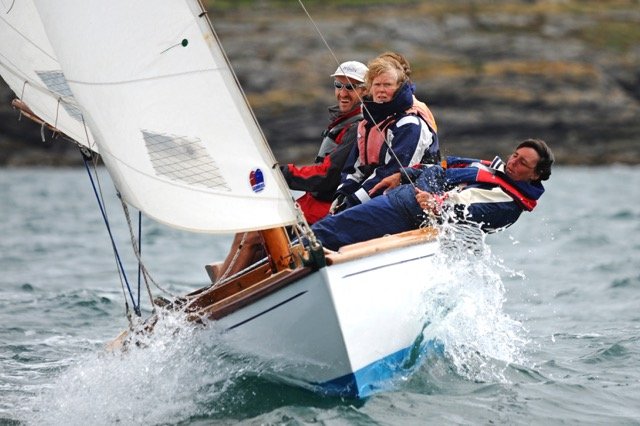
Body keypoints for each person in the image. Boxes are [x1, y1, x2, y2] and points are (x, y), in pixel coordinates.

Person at [206, 60, 368, 282]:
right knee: (250, 230)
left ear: (365, 91)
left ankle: (220, 291)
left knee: (253, 235)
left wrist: (281, 173)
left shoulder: (357, 126)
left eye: (350, 87)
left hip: (328, 209)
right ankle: (228, 283)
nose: (342, 93)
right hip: (314, 204)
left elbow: (327, 176)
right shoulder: (346, 122)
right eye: (338, 86)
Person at [312, 139, 554, 251]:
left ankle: (299, 256)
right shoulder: (492, 169)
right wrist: (403, 175)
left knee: (325, 233)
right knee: (330, 228)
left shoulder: (507, 205)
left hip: (406, 213)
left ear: (535, 175)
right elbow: (442, 168)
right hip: (403, 199)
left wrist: (434, 203)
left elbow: (461, 214)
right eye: (515, 155)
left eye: (522, 163)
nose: (513, 162)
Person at [331, 55, 440, 213]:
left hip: (406, 199)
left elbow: (392, 173)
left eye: (387, 85)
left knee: (330, 225)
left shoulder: (410, 125)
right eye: (377, 84)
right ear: (369, 87)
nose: (381, 90)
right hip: (372, 198)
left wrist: (352, 202)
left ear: (399, 87)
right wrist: (342, 194)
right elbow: (354, 170)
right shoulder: (366, 124)